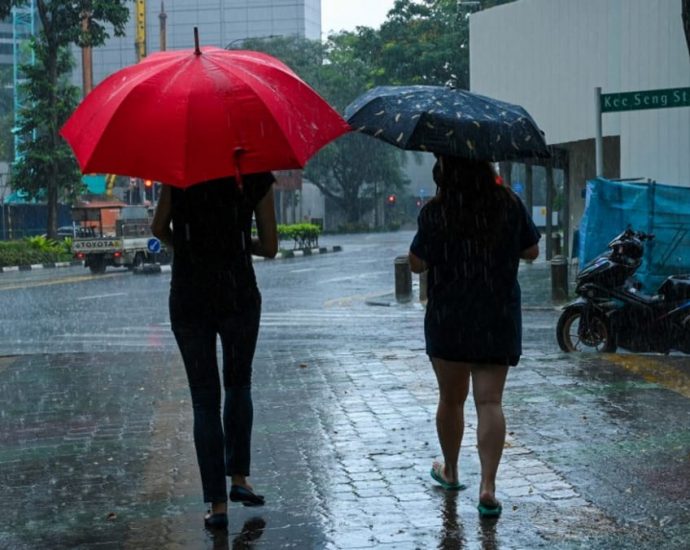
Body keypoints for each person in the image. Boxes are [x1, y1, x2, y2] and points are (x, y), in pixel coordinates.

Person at [408, 155, 540, 518]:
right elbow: (531, 251)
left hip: (450, 316)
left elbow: (416, 262)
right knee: (489, 403)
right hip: (495, 316)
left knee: (451, 400)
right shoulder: (508, 203)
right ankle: (488, 487)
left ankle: (450, 470)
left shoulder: (437, 209)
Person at [152, 172, 278, 529]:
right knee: (239, 383)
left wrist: (191, 245)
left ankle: (217, 505)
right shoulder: (256, 174)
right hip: (237, 290)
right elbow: (270, 246)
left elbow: (158, 228)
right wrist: (236, 240)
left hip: (190, 294)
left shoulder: (178, 173)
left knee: (204, 400)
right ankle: (239, 479)